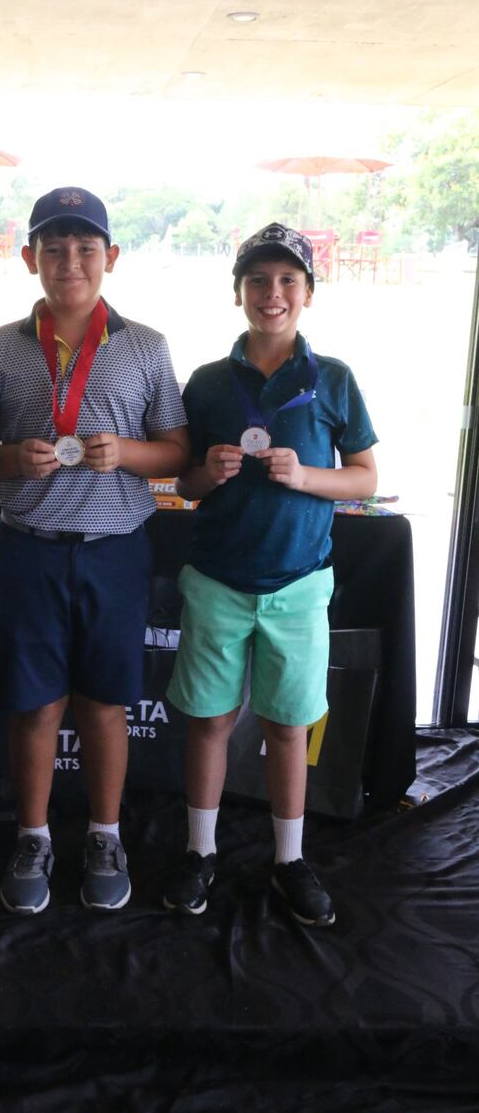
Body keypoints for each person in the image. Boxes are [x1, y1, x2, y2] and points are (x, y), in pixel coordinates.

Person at [0, 187, 190, 914]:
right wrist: (11, 457)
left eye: (85, 248)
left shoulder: (146, 346)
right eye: (53, 249)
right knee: (34, 706)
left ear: (110, 257)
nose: (70, 262)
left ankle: (103, 834)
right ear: (28, 258)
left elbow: (176, 451)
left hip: (114, 551)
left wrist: (126, 452)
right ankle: (32, 836)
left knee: (105, 704)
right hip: (27, 549)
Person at [164, 223, 378, 927]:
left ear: (308, 292)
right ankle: (200, 851)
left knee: (288, 726)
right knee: (209, 722)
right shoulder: (208, 382)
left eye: (288, 280)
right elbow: (185, 483)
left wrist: (307, 475)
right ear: (238, 293)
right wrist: (207, 471)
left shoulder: (333, 379)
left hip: (299, 585)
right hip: (217, 581)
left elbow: (366, 476)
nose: (272, 292)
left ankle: (290, 860)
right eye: (257, 280)